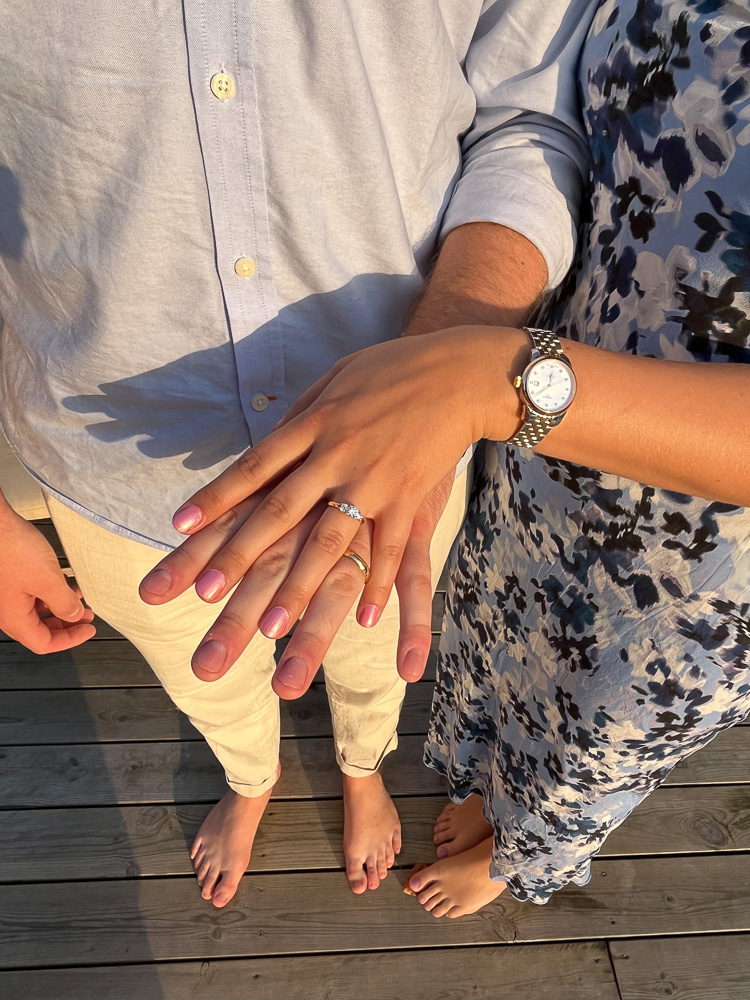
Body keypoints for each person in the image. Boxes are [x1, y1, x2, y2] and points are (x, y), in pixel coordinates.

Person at [0, 1, 595, 907]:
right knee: (205, 680)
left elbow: (530, 114)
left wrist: (442, 364)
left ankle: (364, 766)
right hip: (110, 467)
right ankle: (252, 777)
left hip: (405, 452)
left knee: (375, 658)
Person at [169, 0, 750, 919]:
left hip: (686, 549)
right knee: (492, 658)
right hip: (531, 455)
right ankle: (467, 796)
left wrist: (490, 379)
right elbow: (540, 109)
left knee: (593, 728)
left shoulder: (495, 382)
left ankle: (515, 857)